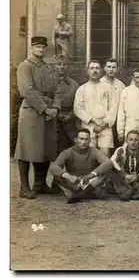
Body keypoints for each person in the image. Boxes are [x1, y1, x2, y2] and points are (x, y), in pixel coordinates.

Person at [15, 36, 62, 198]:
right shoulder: (25, 66)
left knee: (46, 148)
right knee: (27, 149)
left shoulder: (48, 68)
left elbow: (57, 90)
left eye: (43, 47)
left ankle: (39, 184)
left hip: (49, 113)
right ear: (32, 48)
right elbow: (26, 91)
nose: (41, 50)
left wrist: (55, 107)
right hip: (31, 112)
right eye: (38, 47)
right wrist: (46, 109)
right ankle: (24, 188)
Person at [48, 128, 114, 204]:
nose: (84, 142)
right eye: (81, 139)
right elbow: (53, 167)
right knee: (58, 175)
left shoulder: (94, 151)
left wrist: (91, 175)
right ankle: (85, 193)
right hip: (74, 183)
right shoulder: (68, 152)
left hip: (90, 183)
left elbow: (108, 163)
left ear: (90, 141)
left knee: (106, 171)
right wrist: (69, 177)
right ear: (75, 139)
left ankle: (79, 195)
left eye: (86, 139)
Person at [73, 59, 118, 157]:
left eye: (97, 68)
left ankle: (104, 173)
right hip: (88, 125)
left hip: (105, 125)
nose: (95, 71)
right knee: (89, 154)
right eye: (92, 68)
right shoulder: (82, 89)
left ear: (101, 70)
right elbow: (77, 109)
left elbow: (113, 107)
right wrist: (93, 119)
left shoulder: (108, 87)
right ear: (87, 71)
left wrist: (104, 123)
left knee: (105, 154)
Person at [109, 130, 139, 201]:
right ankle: (136, 191)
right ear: (126, 140)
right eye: (131, 139)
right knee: (111, 169)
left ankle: (131, 191)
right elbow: (112, 161)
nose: (133, 142)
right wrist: (124, 175)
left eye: (136, 140)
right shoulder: (121, 150)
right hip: (125, 179)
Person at [54, 54, 79, 154]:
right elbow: (46, 101)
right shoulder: (49, 82)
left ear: (68, 66)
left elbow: (78, 104)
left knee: (70, 151)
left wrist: (71, 115)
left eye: (65, 64)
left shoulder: (74, 84)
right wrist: (56, 113)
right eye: (59, 64)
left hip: (70, 121)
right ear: (54, 66)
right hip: (53, 121)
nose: (62, 67)